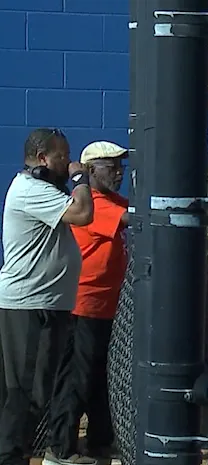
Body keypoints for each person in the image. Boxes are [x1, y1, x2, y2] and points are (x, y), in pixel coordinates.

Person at [0, 128, 94, 465]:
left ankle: (14, 453)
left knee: (32, 393)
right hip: (30, 306)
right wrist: (82, 178)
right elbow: (84, 214)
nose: (68, 162)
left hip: (45, 305)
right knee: (24, 392)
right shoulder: (31, 190)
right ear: (42, 160)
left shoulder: (43, 191)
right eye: (62, 156)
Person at [45, 141, 130, 465]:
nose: (119, 173)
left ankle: (99, 444)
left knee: (98, 378)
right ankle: (60, 450)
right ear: (91, 171)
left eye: (121, 167)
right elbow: (131, 220)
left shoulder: (110, 199)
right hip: (84, 307)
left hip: (105, 307)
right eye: (111, 167)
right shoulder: (94, 203)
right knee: (75, 380)